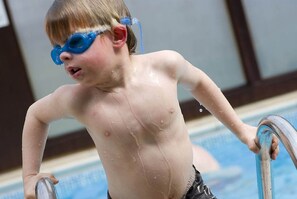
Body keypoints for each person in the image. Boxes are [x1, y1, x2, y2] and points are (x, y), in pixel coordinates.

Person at [22, 0, 279, 198]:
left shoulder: (164, 66)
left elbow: (199, 82)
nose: (65, 55)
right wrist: (30, 175)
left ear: (118, 36)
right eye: (58, 51)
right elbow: (36, 115)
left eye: (75, 43)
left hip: (192, 192)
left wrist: (242, 130)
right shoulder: (77, 100)